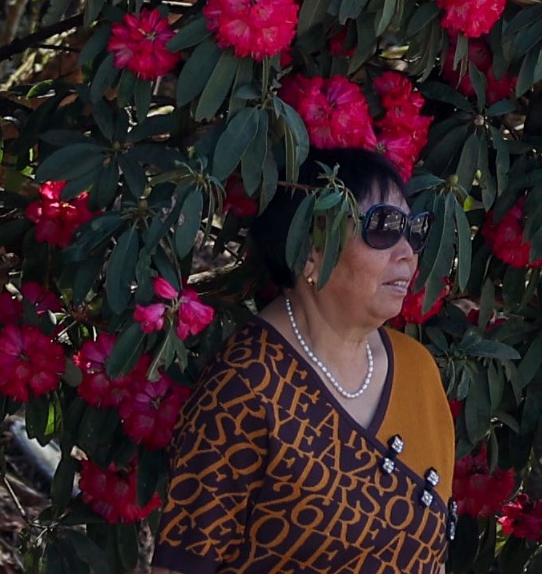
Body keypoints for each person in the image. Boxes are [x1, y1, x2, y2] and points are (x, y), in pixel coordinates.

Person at [155, 146, 455, 574]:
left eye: (414, 230)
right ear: (311, 250)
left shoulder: (418, 370)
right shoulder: (245, 385)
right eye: (384, 228)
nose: (407, 251)